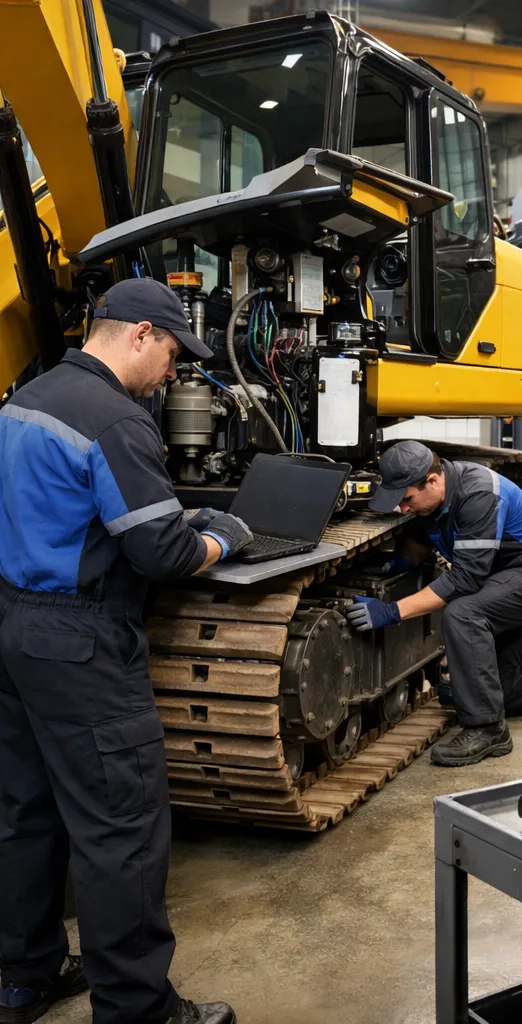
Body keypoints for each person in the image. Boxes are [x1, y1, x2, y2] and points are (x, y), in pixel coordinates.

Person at [0, 278, 253, 1024]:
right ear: (140, 334)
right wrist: (221, 535)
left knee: (24, 811)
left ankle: (24, 977)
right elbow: (164, 556)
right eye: (172, 354)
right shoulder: (116, 421)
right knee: (122, 828)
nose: (172, 373)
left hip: (14, 627)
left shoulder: (25, 400)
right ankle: (139, 1010)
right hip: (82, 642)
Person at [345, 440, 522, 766]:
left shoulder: (478, 494)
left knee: (462, 613)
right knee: (488, 689)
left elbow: (465, 580)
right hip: (503, 578)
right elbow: (420, 543)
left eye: (407, 500)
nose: (403, 508)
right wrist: (394, 566)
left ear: (432, 480)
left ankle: (487, 730)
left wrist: (392, 611)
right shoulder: (432, 502)